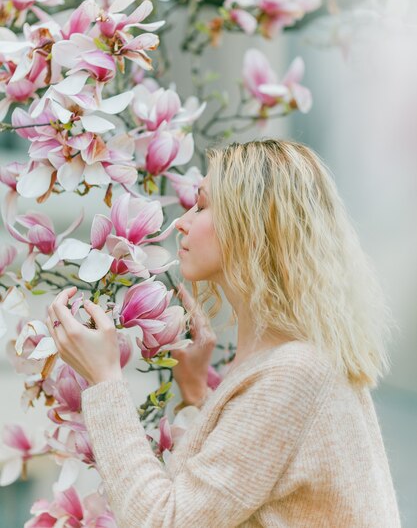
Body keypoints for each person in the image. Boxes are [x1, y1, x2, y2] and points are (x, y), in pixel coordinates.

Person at [47, 139, 401, 527]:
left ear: (251, 225)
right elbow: (241, 494)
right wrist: (199, 395)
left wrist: (104, 380)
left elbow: (165, 521)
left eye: (201, 205)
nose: (181, 221)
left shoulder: (294, 375)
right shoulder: (290, 361)